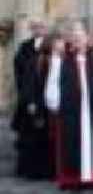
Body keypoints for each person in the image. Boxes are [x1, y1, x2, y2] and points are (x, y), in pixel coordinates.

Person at [45, 22, 93, 190]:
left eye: (81, 38)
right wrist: (56, 104)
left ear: (87, 40)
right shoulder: (62, 61)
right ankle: (73, 179)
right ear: (71, 41)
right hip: (72, 110)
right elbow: (53, 83)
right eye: (75, 38)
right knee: (72, 143)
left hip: (92, 108)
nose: (78, 41)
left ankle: (92, 178)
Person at [11, 25, 55, 180]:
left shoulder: (55, 62)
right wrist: (30, 102)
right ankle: (32, 171)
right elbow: (29, 82)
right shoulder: (35, 60)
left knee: (46, 140)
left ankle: (47, 170)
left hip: (49, 106)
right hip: (36, 104)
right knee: (34, 139)